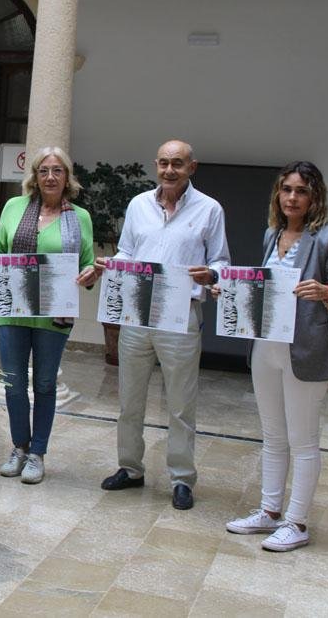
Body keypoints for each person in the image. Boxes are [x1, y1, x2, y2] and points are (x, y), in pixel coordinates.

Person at [95, 139, 230, 510]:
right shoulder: (138, 205)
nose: (170, 170)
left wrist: (212, 273)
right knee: (129, 399)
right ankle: (130, 468)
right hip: (137, 313)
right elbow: (127, 250)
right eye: (164, 163)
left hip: (180, 315)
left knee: (181, 404)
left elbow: (221, 260)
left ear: (192, 167)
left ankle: (182, 479)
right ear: (156, 165)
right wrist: (113, 263)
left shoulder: (209, 209)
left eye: (178, 164)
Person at [224, 161, 328, 551]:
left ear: (315, 198)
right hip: (265, 347)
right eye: (287, 189)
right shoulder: (271, 234)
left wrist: (327, 294)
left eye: (302, 191)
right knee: (273, 435)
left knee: (303, 439)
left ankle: (297, 522)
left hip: (305, 352)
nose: (293, 197)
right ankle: (270, 511)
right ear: (278, 194)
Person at [0, 146, 97, 484]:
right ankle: (19, 447)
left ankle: (38, 453)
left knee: (44, 383)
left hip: (54, 316)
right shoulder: (14, 207)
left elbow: (87, 261)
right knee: (13, 384)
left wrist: (89, 274)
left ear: (67, 177)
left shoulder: (81, 217)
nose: (50, 177)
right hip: (13, 311)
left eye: (58, 170)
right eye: (44, 170)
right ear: (35, 176)